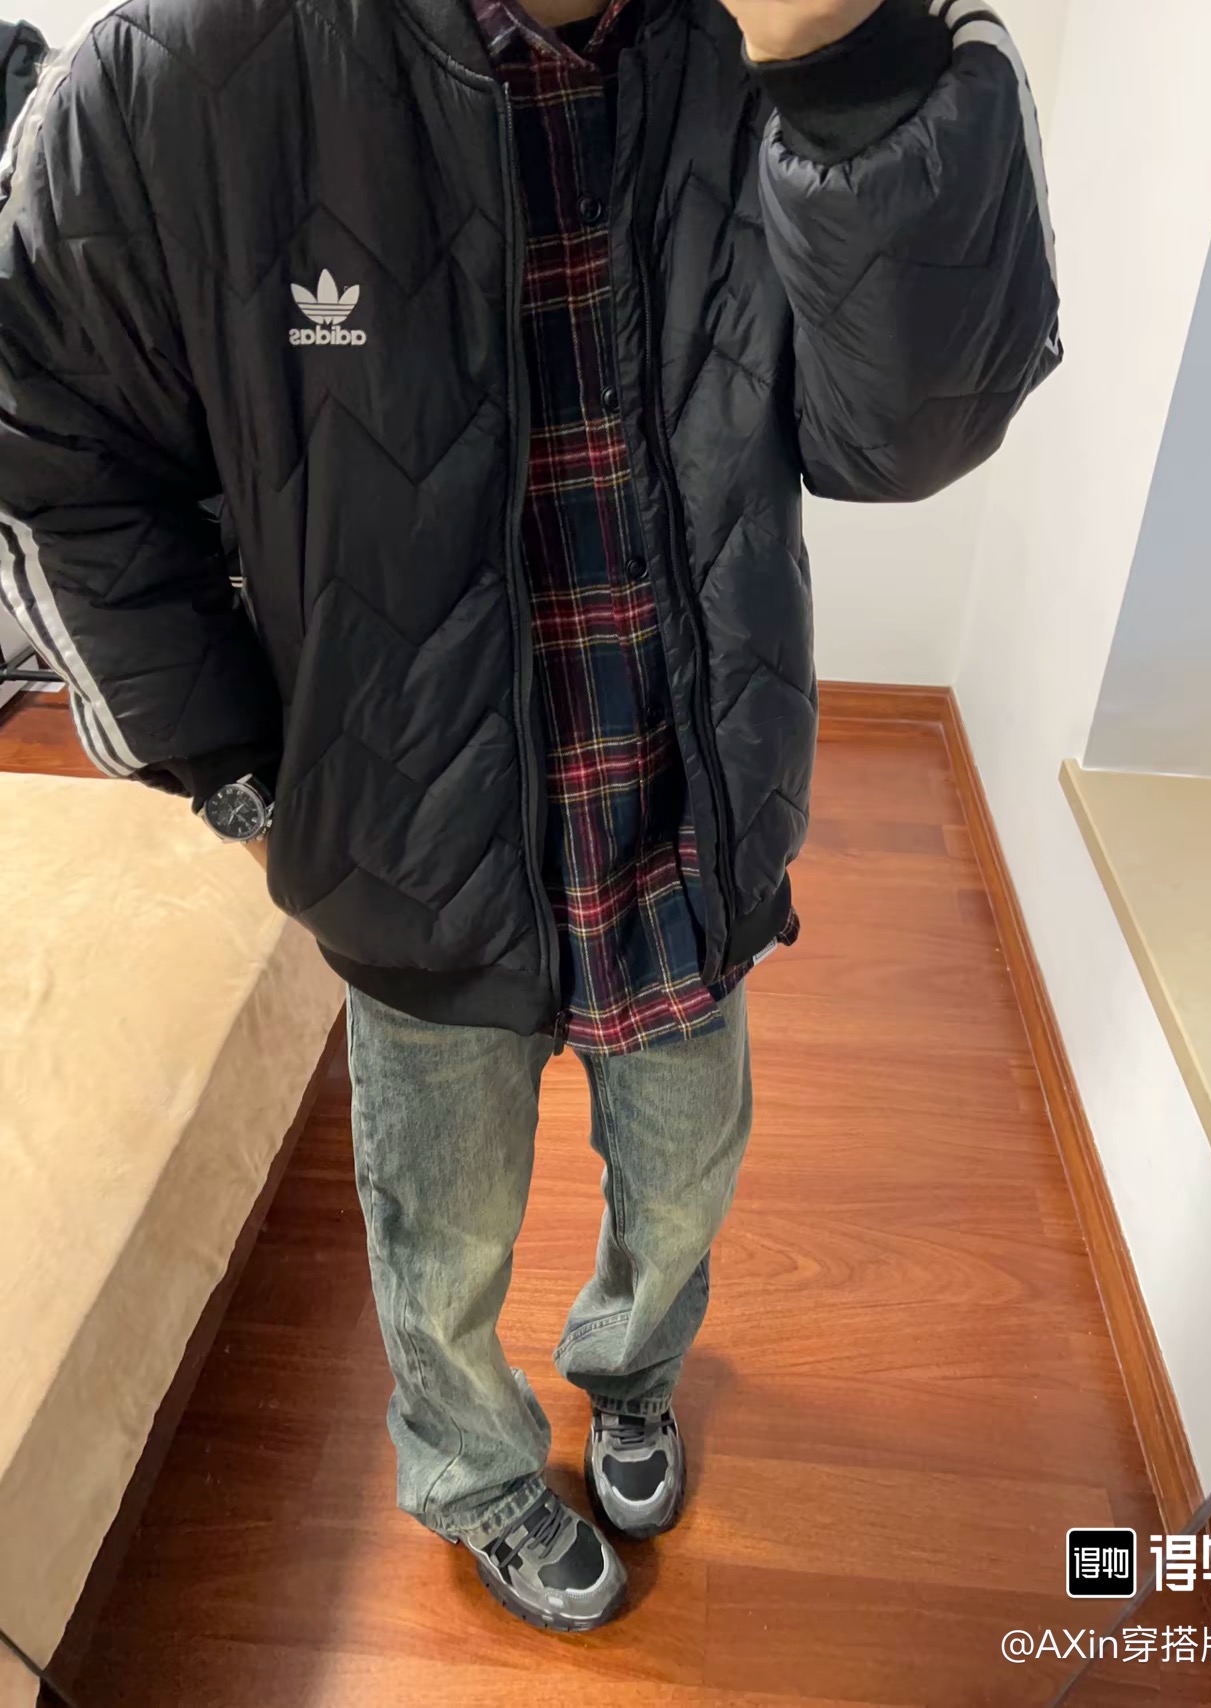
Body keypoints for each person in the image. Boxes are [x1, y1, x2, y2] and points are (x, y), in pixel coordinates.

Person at [0, 0, 1059, 1633]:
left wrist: (846, 69)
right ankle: (474, 1471)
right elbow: (50, 442)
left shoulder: (796, 40)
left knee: (686, 1181)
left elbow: (903, 434)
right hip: (409, 850)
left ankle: (632, 1375)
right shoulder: (179, 69)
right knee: (441, 1238)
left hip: (687, 813)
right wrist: (232, 765)